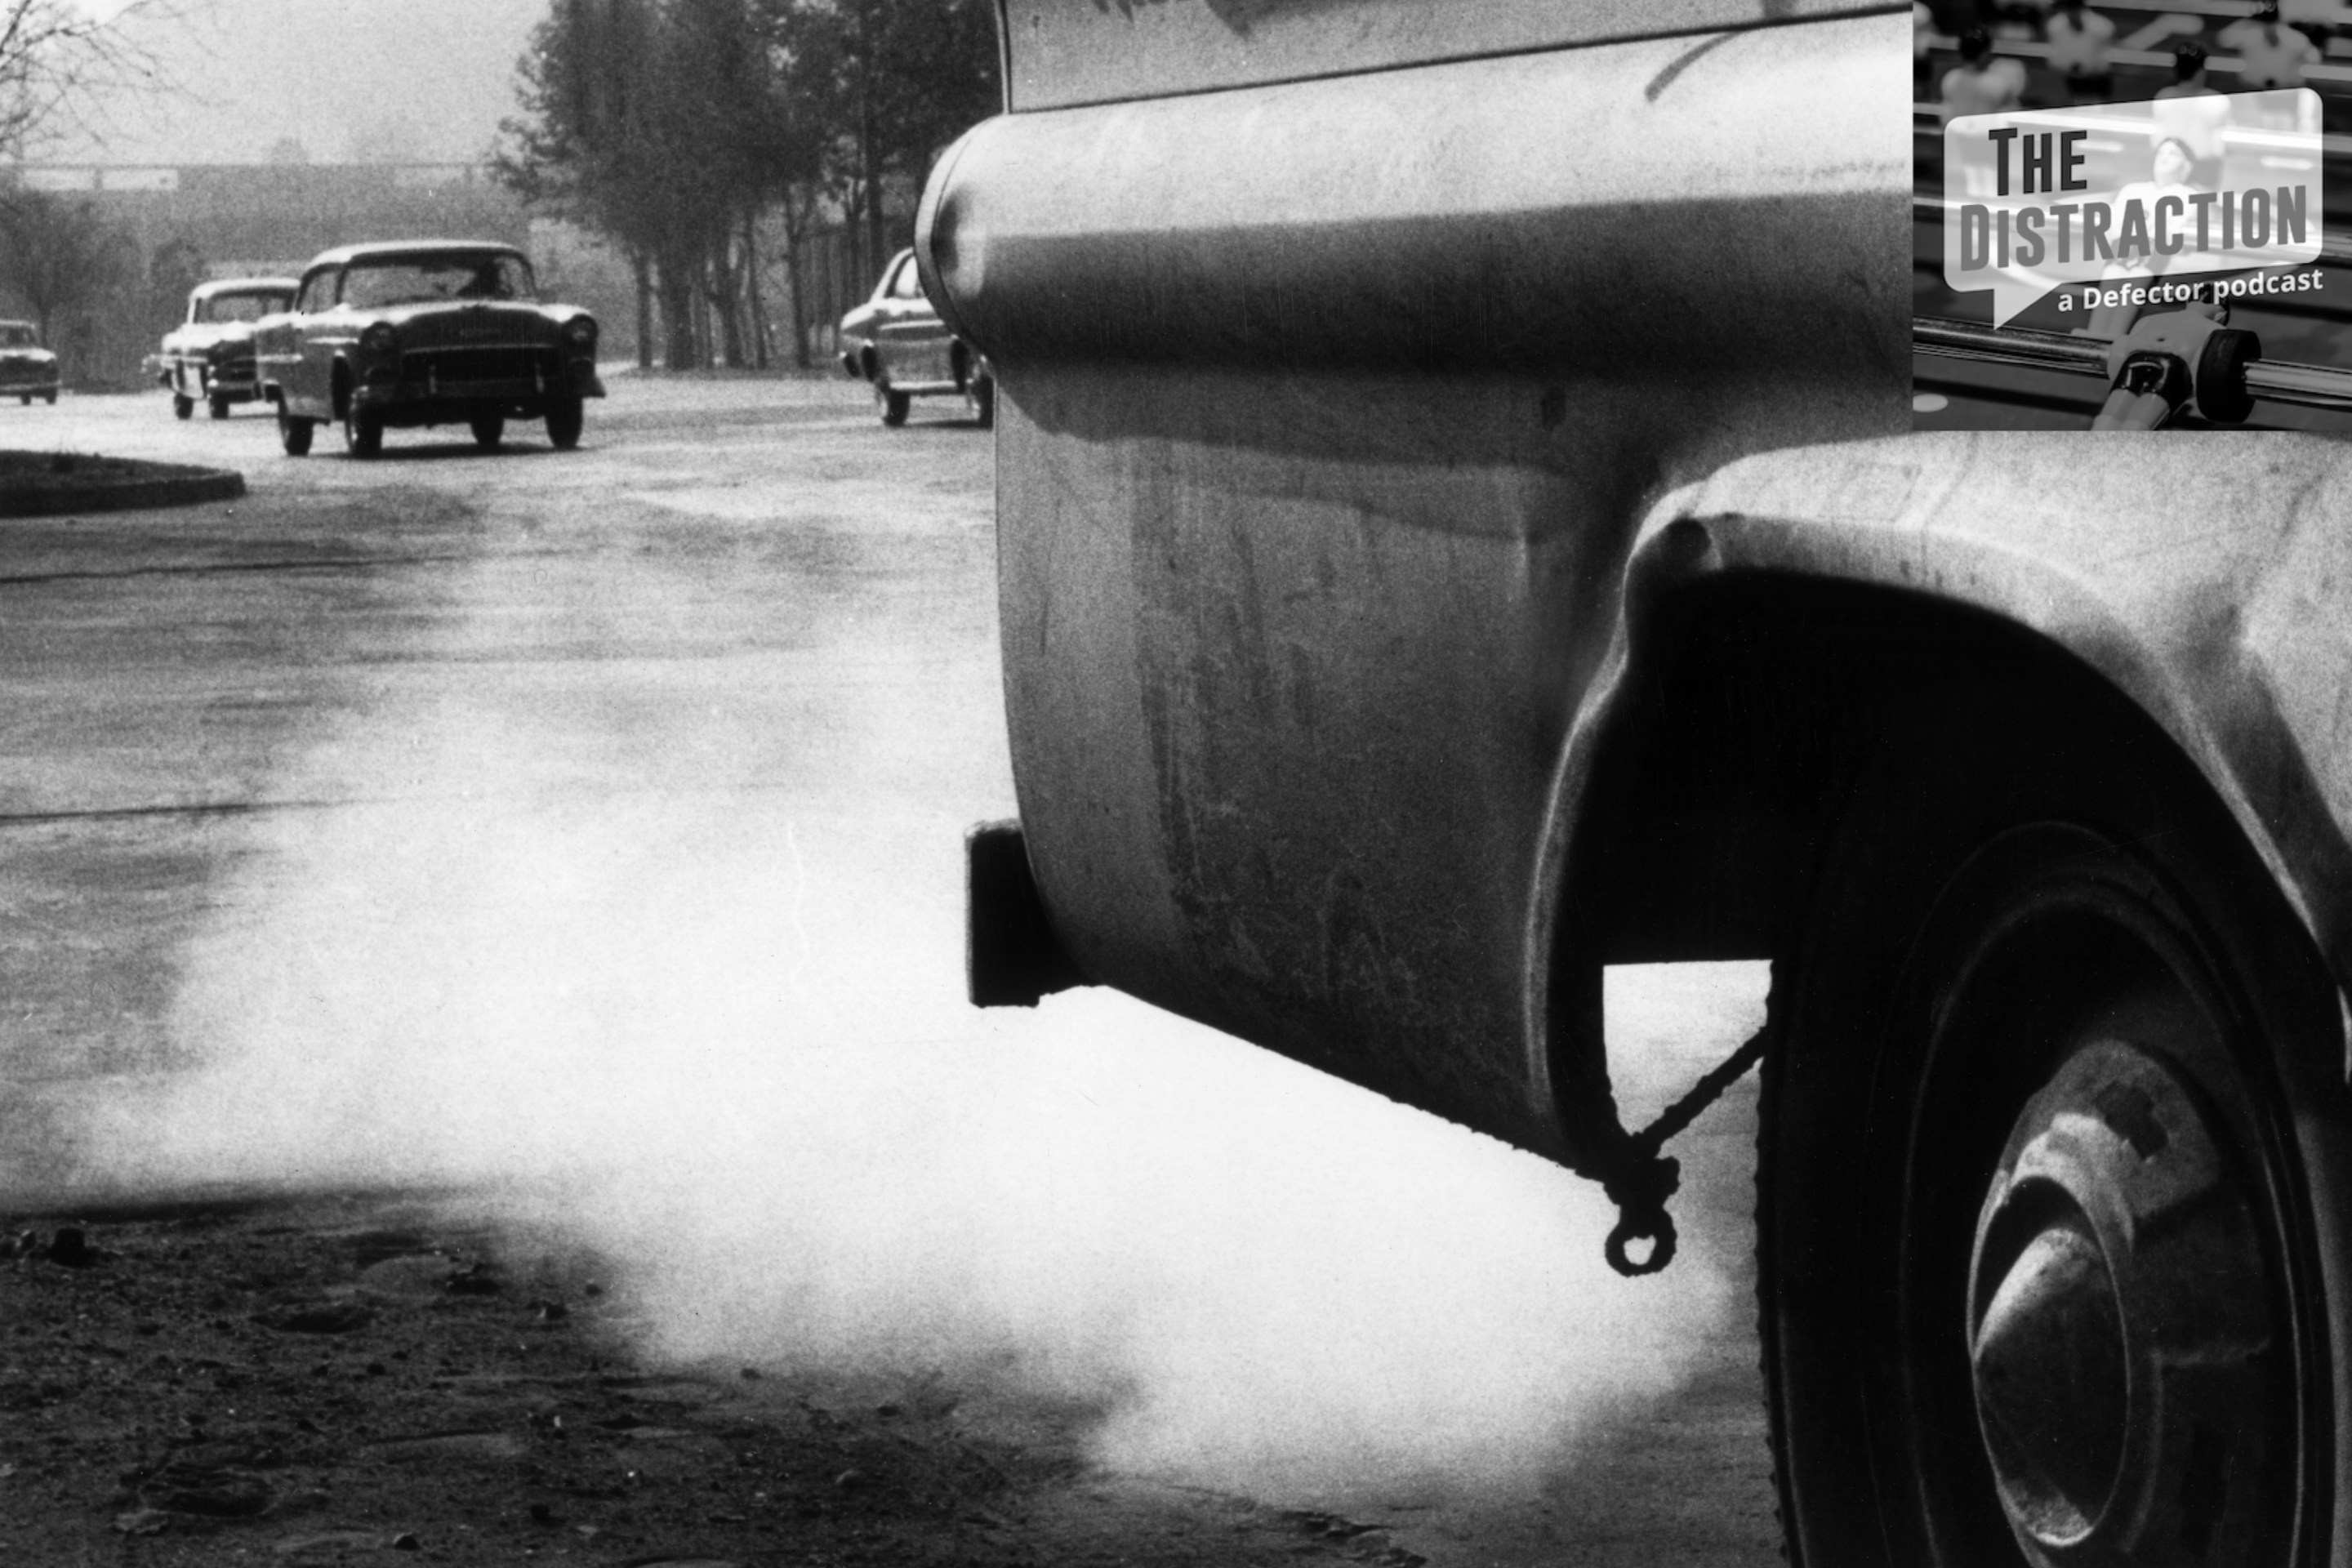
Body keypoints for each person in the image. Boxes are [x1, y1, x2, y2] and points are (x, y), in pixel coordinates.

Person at [2153, 43, 2232, 187]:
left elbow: (2156, 139)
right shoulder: (2217, 101)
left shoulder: (2164, 96)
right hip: (2204, 167)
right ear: (2202, 71)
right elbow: (2221, 146)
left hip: (2173, 164)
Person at [2220, 0, 2321, 88]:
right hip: (2253, 89)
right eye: (2265, 23)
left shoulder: (2294, 39)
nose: (2269, 27)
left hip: (2286, 91)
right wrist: (2248, 22)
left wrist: (2298, 65)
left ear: (2279, 21)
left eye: (2272, 23)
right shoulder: (2249, 35)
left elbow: (2314, 58)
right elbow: (2223, 39)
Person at [1941, 28, 2029, 116]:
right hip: (1977, 129)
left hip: (1962, 129)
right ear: (1986, 52)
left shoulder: (1950, 79)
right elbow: (2009, 121)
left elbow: (1945, 119)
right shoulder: (1999, 84)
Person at [2045, 0, 2118, 103]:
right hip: (2071, 78)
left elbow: (2108, 53)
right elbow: (2055, 56)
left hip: (2098, 79)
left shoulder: (2102, 27)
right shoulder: (2055, 26)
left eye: (2072, 8)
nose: (2070, 12)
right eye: (2067, 8)